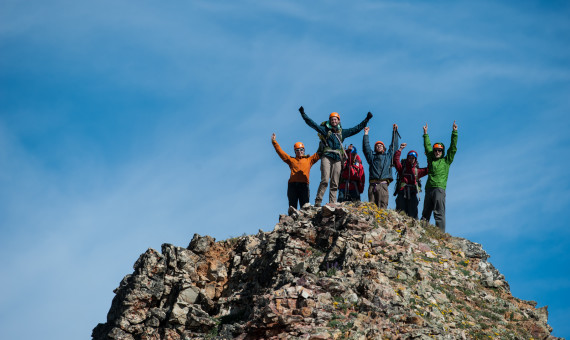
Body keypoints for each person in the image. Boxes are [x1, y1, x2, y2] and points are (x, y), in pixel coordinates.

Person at [298, 106, 372, 206]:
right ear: (329, 121)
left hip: (337, 159)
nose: (334, 120)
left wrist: (366, 120)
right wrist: (303, 114)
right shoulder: (325, 130)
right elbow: (313, 124)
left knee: (335, 182)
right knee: (325, 179)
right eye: (332, 119)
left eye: (335, 119)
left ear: (338, 121)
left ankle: (332, 203)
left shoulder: (342, 133)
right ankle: (318, 202)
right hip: (327, 156)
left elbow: (356, 129)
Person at [421, 121, 458, 232]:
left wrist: (454, 132)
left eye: (440, 150)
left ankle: (441, 235)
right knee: (425, 213)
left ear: (442, 151)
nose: (437, 152)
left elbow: (453, 148)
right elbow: (428, 147)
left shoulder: (446, 161)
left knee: (439, 213)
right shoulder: (431, 159)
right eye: (436, 150)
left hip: (439, 189)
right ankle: (421, 232)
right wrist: (425, 133)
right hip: (429, 189)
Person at [271, 133, 321, 209]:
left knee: (305, 208)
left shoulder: (309, 160)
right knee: (292, 208)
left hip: (304, 185)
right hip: (292, 185)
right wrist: (274, 141)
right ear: (295, 151)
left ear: (304, 150)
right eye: (297, 150)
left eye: (301, 149)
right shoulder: (291, 160)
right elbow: (281, 153)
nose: (300, 151)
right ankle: (291, 220)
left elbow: (319, 153)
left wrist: (323, 141)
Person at [362, 124, 399, 209]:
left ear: (384, 148)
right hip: (372, 185)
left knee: (383, 207)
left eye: (381, 145)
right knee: (371, 208)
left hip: (383, 185)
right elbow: (366, 148)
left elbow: (394, 146)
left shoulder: (388, 157)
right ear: (375, 148)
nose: (379, 146)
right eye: (377, 146)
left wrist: (395, 132)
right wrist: (366, 134)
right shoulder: (372, 157)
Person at [393, 143, 428, 219]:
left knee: (413, 215)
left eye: (413, 158)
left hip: (412, 193)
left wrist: (428, 157)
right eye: (410, 157)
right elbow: (396, 161)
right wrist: (400, 149)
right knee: (400, 213)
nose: (411, 159)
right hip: (402, 192)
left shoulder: (417, 171)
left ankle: (413, 228)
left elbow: (429, 169)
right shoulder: (402, 169)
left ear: (415, 159)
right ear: (407, 158)